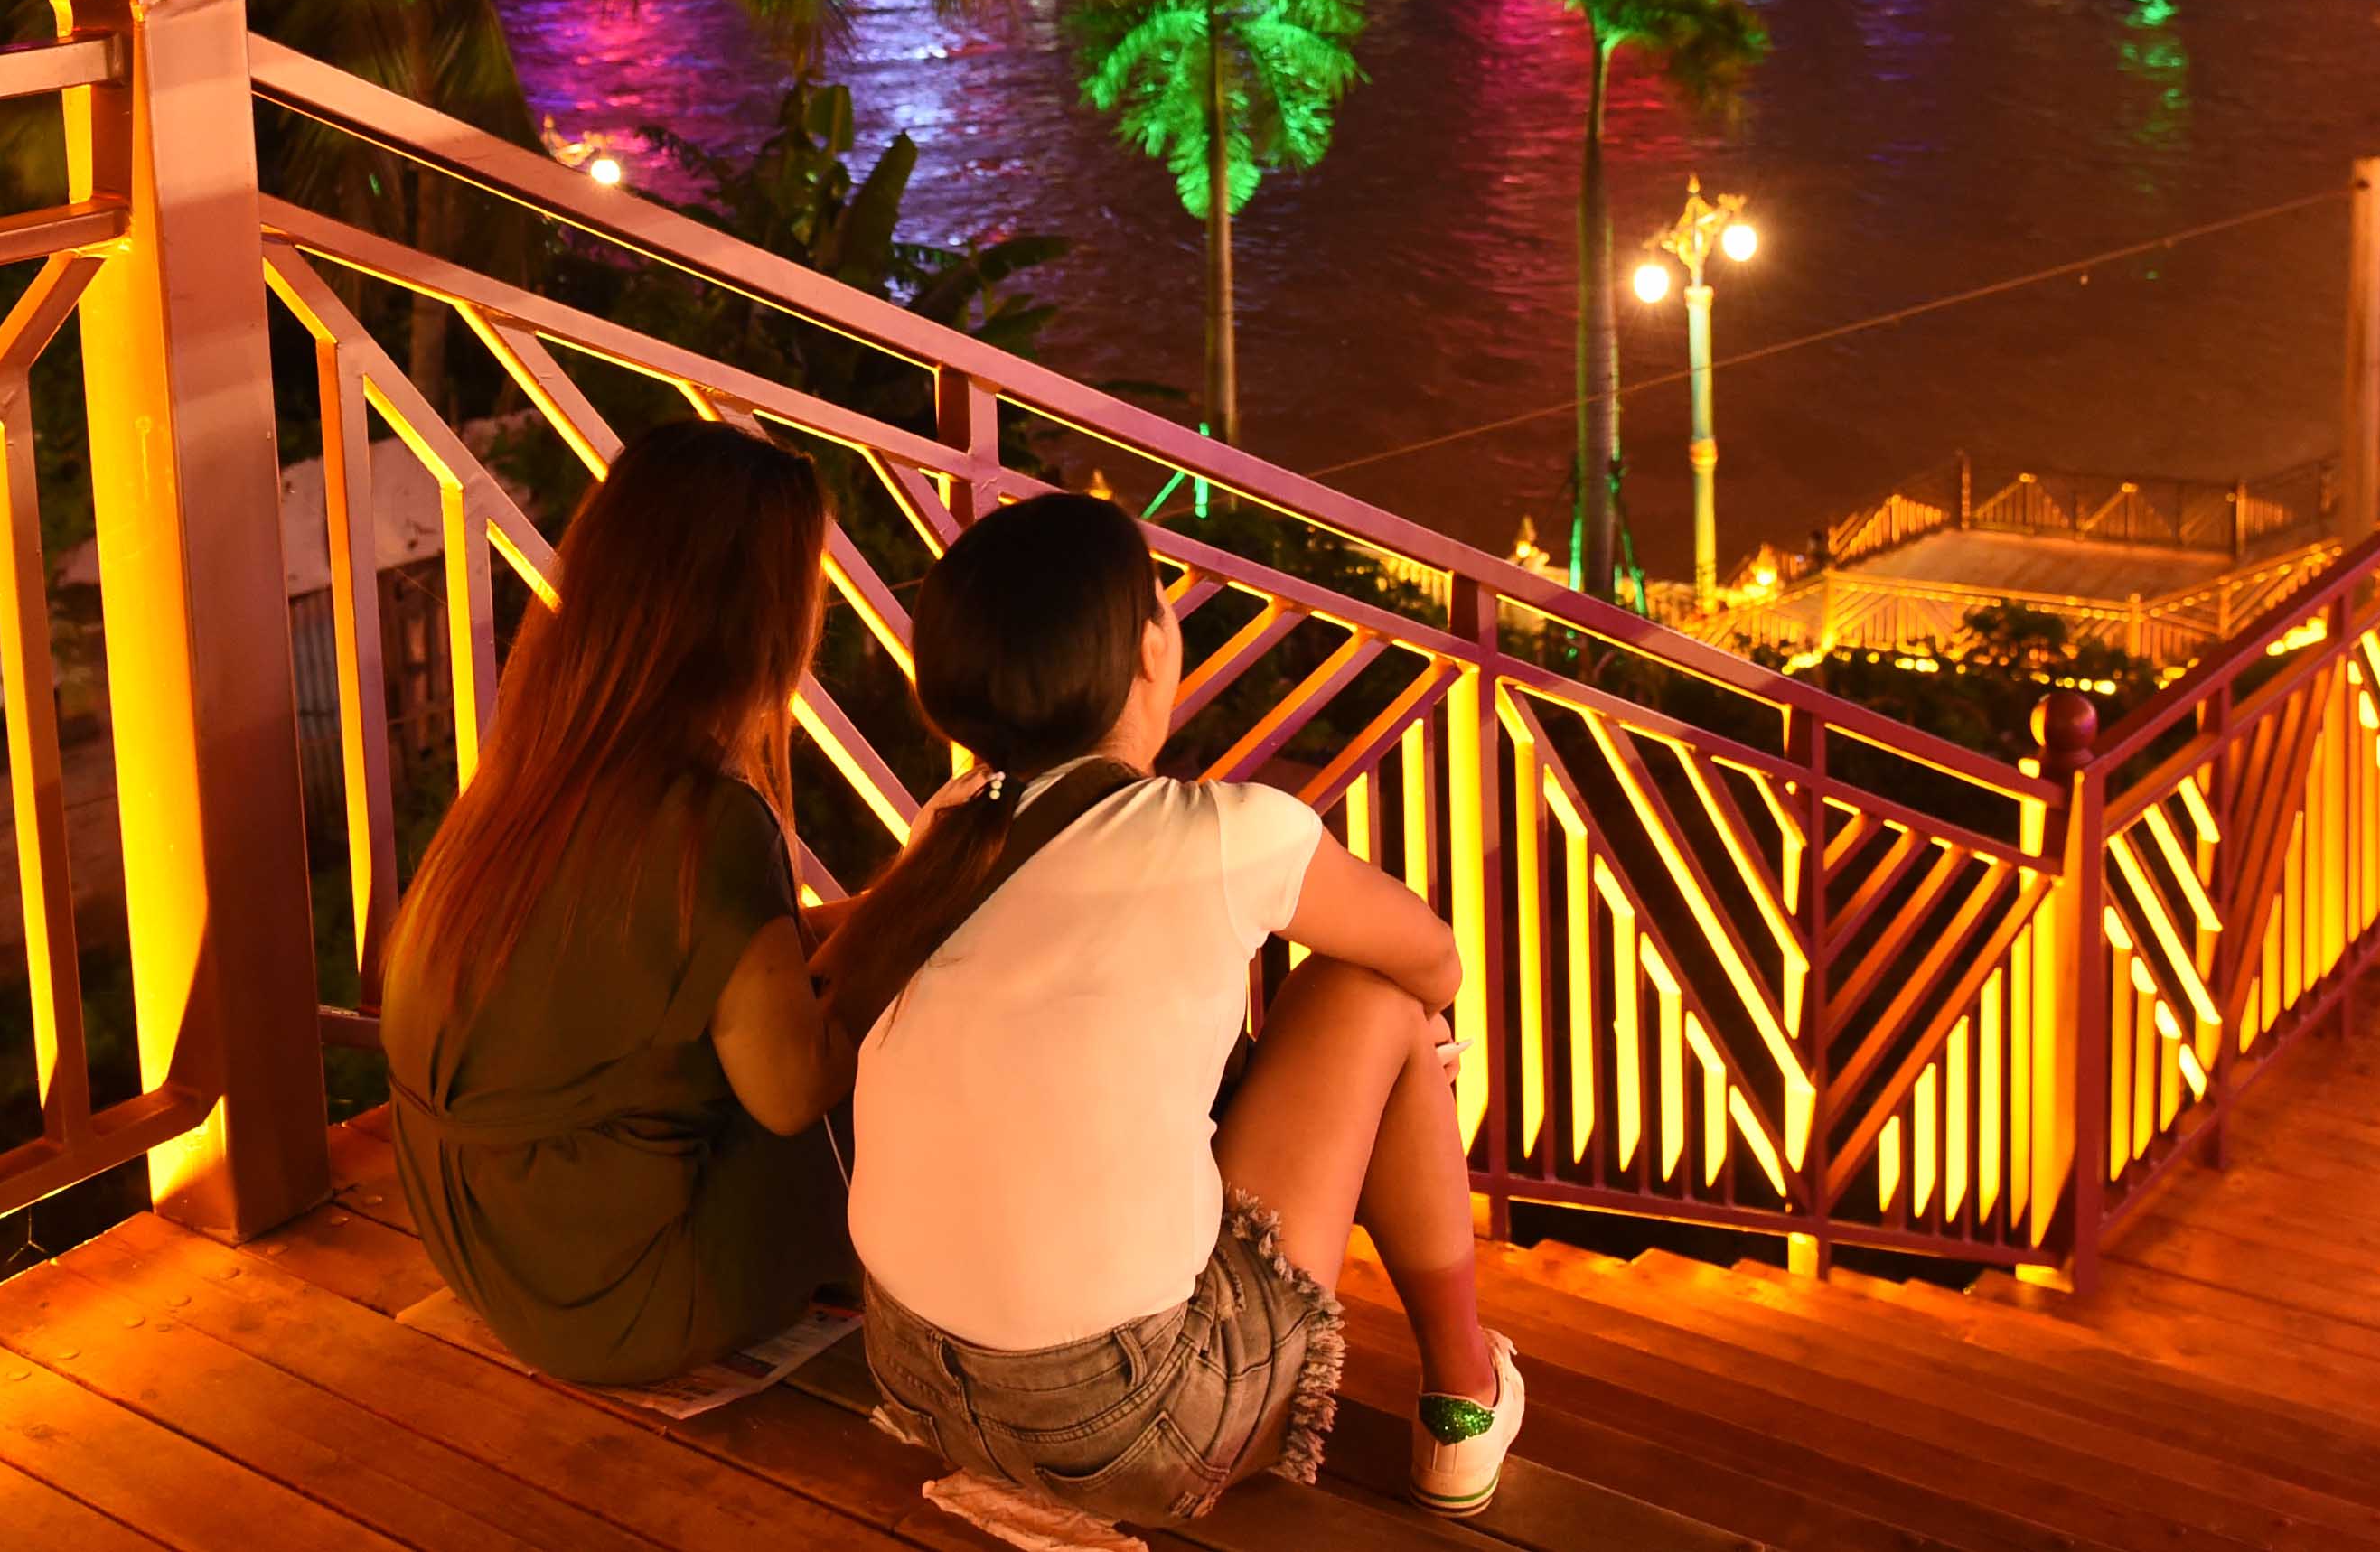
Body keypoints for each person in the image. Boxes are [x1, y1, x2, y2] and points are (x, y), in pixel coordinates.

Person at [820, 491, 1523, 1525]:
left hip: (917, 1376)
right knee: (1373, 993)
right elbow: (1436, 956)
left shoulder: (951, 827)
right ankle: (1463, 1400)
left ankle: (1463, 1397)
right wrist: (1422, 1055)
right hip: (1129, 1423)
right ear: (1147, 650)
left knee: (1372, 1013)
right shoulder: (1227, 834)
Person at [379, 417, 855, 1385]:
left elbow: (712, 972)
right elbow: (795, 1088)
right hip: (614, 1294)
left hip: (483, 1234)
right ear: (762, 615)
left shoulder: (540, 767)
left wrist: (881, 913)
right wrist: (914, 939)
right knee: (910, 1049)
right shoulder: (707, 820)